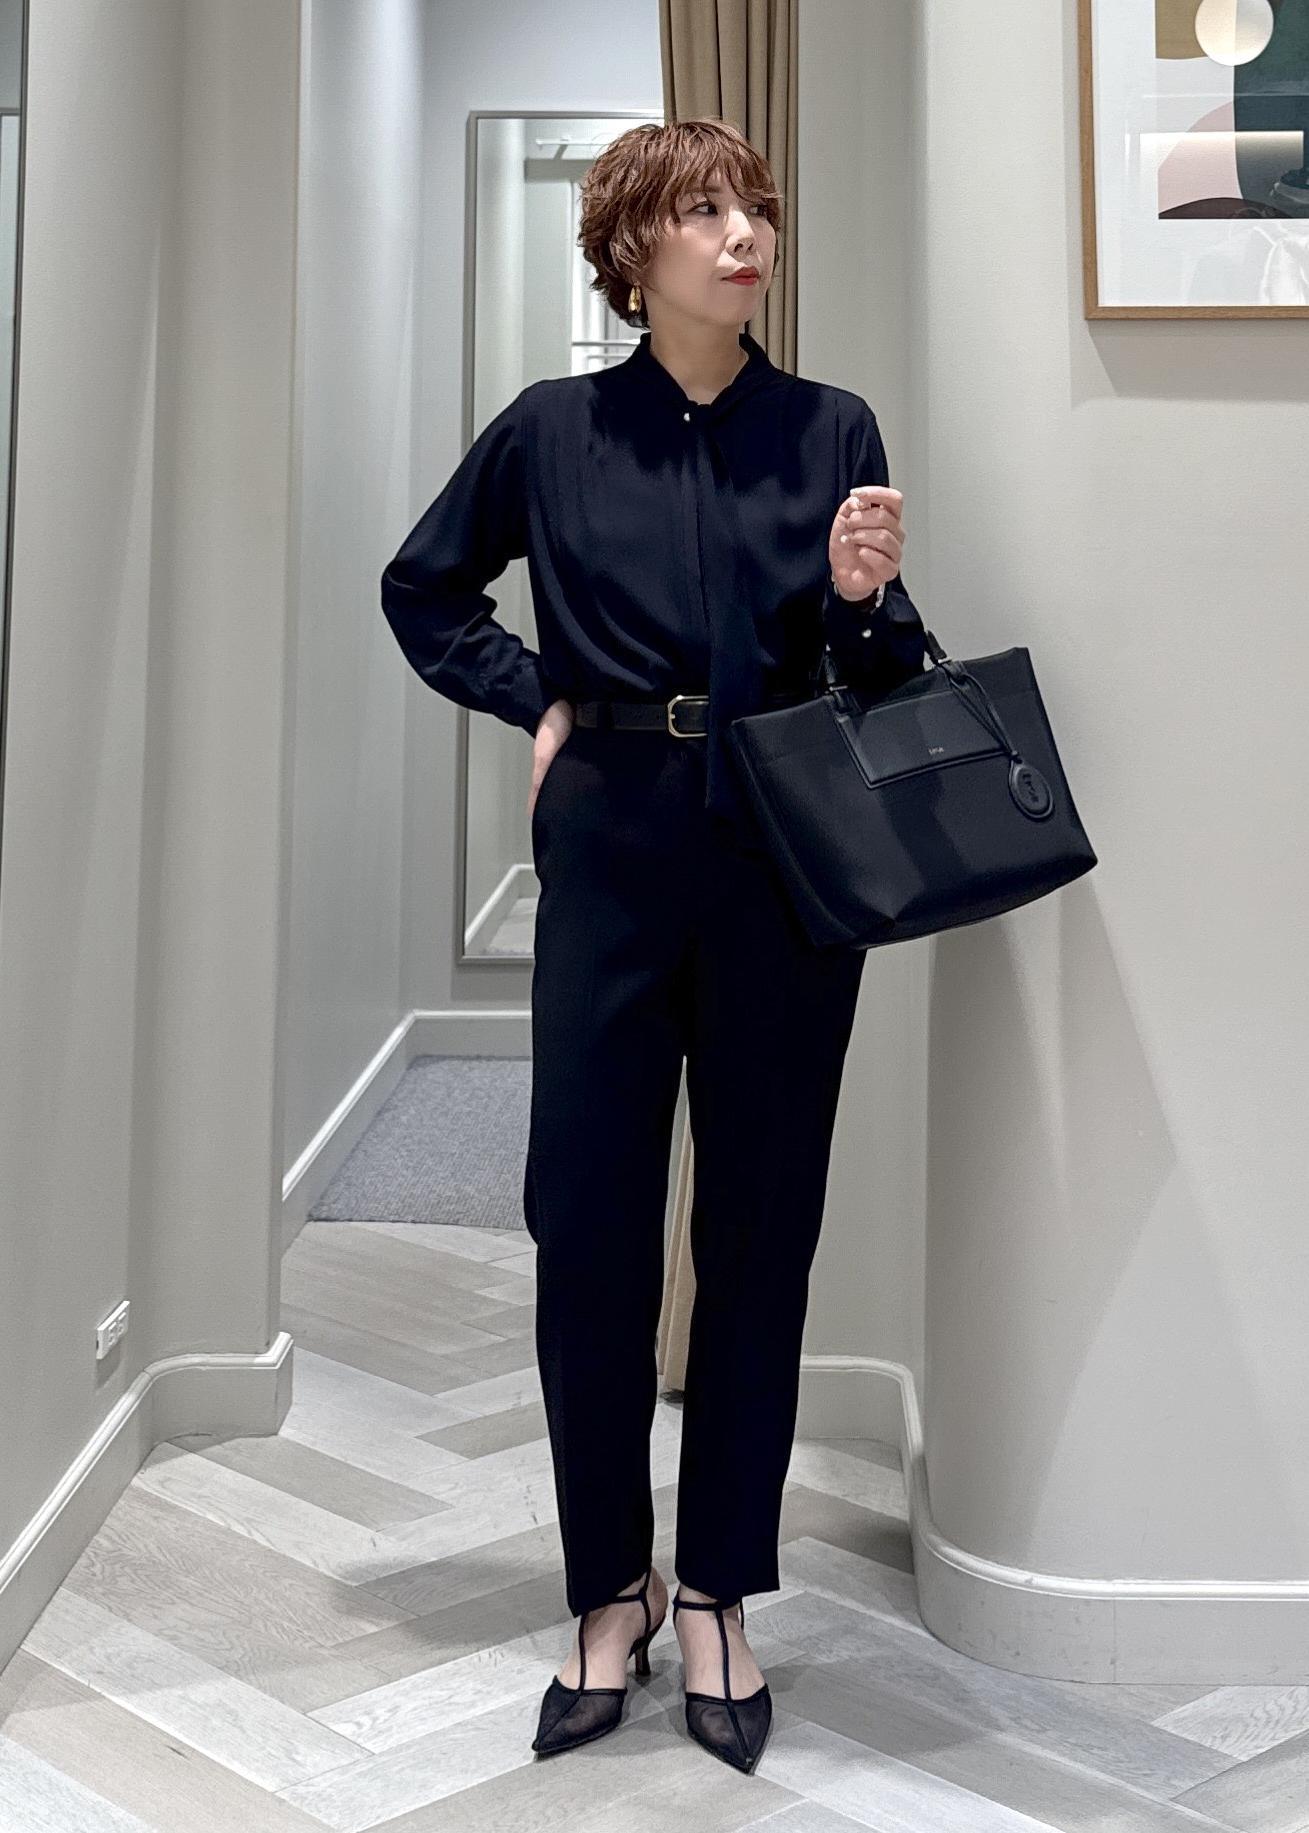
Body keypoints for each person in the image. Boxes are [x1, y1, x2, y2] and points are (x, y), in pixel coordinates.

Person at [379, 117, 925, 1775]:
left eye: (755, 204)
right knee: (590, 1220)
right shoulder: (551, 432)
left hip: (779, 857)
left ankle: (719, 1594)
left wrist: (857, 600)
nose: (744, 231)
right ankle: (604, 1587)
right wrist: (528, 697)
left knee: (759, 1226)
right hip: (612, 840)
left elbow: (883, 674)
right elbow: (424, 589)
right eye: (704, 209)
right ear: (631, 248)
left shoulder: (827, 426)